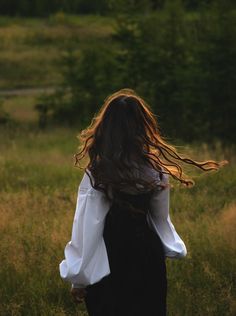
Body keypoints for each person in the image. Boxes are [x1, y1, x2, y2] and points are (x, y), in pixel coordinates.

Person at [59, 88, 227, 316]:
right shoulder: (156, 170)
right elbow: (160, 220)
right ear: (142, 126)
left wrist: (78, 280)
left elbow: (87, 231)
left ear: (106, 128)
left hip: (111, 259)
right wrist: (170, 249)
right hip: (147, 256)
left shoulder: (97, 173)